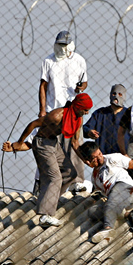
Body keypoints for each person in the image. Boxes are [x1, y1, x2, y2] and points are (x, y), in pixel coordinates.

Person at [10, 93, 93, 227]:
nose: (87, 112)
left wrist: (84, 159)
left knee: (70, 173)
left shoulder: (78, 119)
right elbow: (33, 124)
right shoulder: (56, 116)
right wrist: (20, 142)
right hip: (42, 144)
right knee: (55, 178)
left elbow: (75, 143)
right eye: (85, 109)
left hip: (54, 143)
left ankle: (50, 201)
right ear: (77, 106)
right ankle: (45, 216)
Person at [39, 31, 88, 192]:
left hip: (73, 111)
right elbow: (43, 86)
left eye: (64, 45)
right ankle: (49, 183)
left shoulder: (79, 60)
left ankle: (78, 182)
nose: (61, 48)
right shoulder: (48, 61)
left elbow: (85, 82)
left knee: (74, 145)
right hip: (54, 112)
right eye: (59, 45)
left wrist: (81, 87)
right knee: (51, 149)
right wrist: (42, 110)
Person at [79, 141, 133, 243]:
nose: (100, 158)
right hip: (115, 198)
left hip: (126, 188)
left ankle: (108, 228)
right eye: (95, 158)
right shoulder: (95, 179)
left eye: (100, 154)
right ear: (88, 162)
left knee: (112, 201)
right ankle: (127, 213)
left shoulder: (113, 158)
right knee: (93, 212)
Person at [83, 84, 130, 154]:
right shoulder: (100, 113)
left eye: (120, 94)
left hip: (123, 157)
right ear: (110, 95)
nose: (116, 96)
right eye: (114, 93)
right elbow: (84, 128)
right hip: (103, 157)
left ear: (124, 96)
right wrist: (89, 132)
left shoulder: (129, 115)